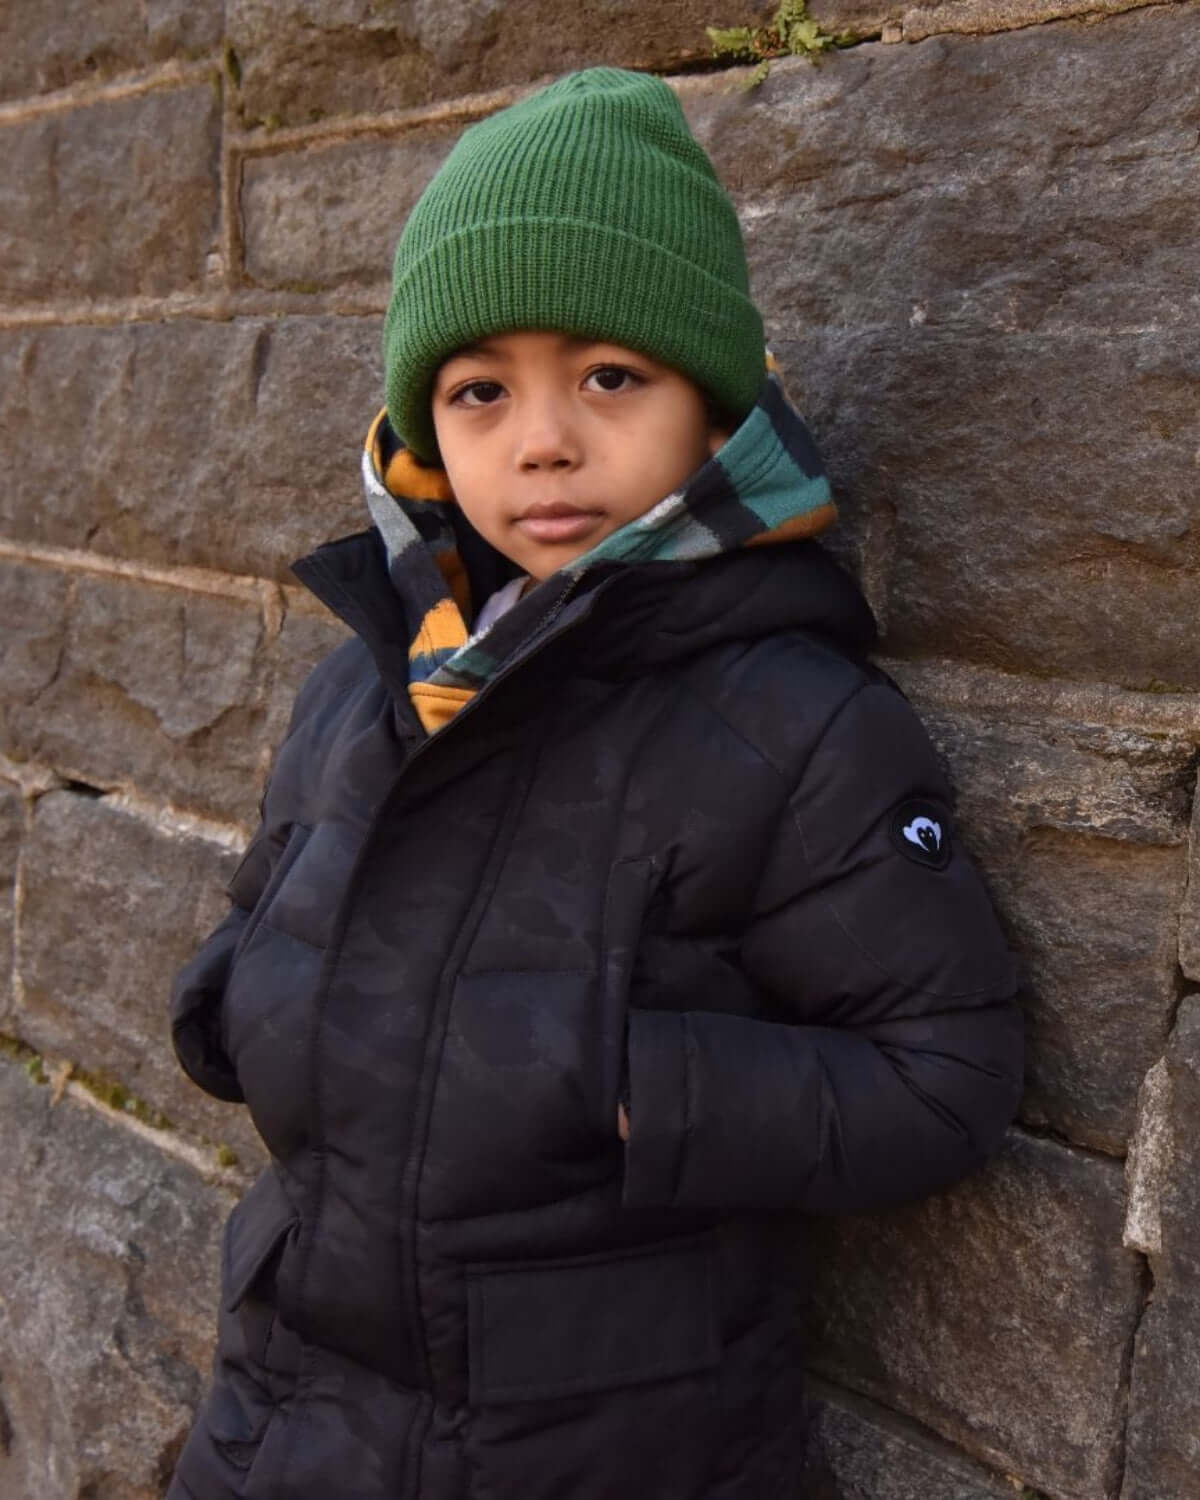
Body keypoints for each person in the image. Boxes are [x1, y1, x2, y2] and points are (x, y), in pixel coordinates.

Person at [166, 67, 1022, 1500]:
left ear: (711, 407)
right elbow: (271, 900)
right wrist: (230, 1002)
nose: (543, 438)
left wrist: (629, 1090)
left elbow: (944, 1075)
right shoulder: (371, 678)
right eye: (479, 390)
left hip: (601, 1441)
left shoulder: (790, 721)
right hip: (290, 1413)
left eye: (609, 376)